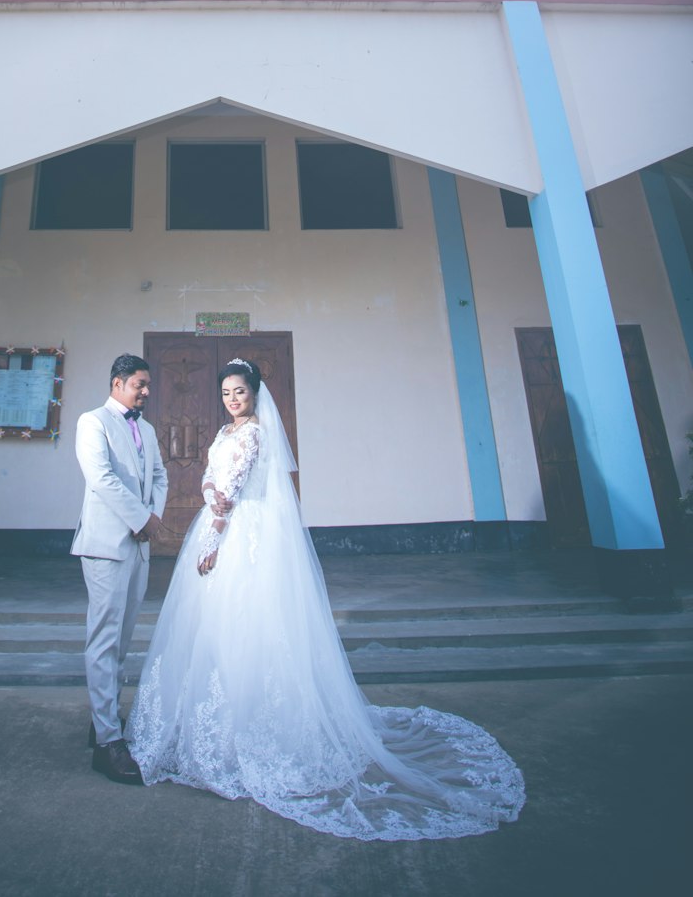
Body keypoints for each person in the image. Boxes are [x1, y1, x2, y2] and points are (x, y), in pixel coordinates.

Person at [127, 358, 526, 839]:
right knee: (213, 627)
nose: (233, 400)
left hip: (239, 532)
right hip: (217, 525)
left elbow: (229, 493)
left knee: (250, 621)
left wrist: (212, 537)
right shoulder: (220, 436)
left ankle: (259, 732)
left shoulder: (254, 434)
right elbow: (210, 479)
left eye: (240, 392)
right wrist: (209, 495)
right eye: (227, 393)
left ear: (255, 394)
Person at [72, 353, 168, 785]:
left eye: (148, 385)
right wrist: (141, 518)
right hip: (107, 546)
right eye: (139, 385)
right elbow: (101, 478)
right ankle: (109, 743)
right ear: (117, 383)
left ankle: (103, 718)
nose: (146, 392)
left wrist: (154, 515)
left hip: (139, 547)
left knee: (124, 639)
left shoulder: (146, 428)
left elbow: (161, 476)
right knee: (104, 638)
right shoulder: (92, 422)